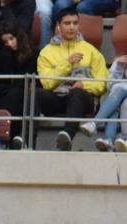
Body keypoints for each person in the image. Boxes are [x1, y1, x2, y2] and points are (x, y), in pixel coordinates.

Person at [35, 10, 104, 149]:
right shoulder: (46, 52)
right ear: (58, 26)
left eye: (75, 23)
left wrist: (84, 85)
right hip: (58, 98)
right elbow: (47, 83)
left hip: (83, 99)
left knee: (76, 93)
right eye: (67, 23)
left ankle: (67, 135)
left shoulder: (91, 51)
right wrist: (67, 63)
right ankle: (27, 139)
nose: (72, 27)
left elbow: (103, 83)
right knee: (36, 93)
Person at [96, 54, 127, 151]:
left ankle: (94, 123)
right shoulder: (123, 58)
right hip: (118, 96)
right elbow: (110, 86)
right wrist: (118, 66)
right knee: (114, 99)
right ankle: (109, 140)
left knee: (125, 102)